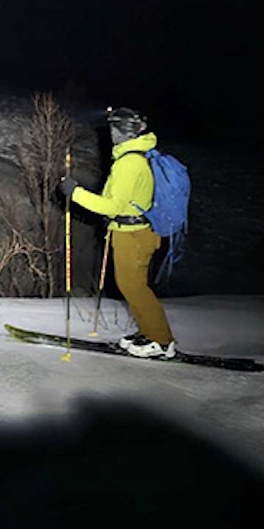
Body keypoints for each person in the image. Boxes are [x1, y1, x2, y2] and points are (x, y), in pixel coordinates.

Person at [59, 107, 176, 359]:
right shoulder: (133, 157)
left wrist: (75, 193)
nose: (112, 134)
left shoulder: (129, 163)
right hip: (132, 231)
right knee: (130, 285)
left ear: (125, 132)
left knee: (134, 288)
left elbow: (111, 205)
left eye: (115, 129)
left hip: (133, 236)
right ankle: (149, 332)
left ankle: (162, 341)